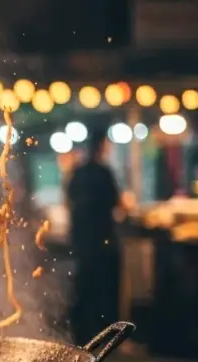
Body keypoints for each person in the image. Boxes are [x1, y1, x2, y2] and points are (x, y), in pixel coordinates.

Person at [65, 129, 126, 345]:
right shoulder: (103, 172)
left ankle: (81, 336)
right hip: (102, 240)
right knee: (103, 289)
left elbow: (69, 200)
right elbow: (116, 203)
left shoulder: (78, 172)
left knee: (83, 286)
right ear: (101, 146)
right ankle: (106, 337)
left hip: (82, 240)